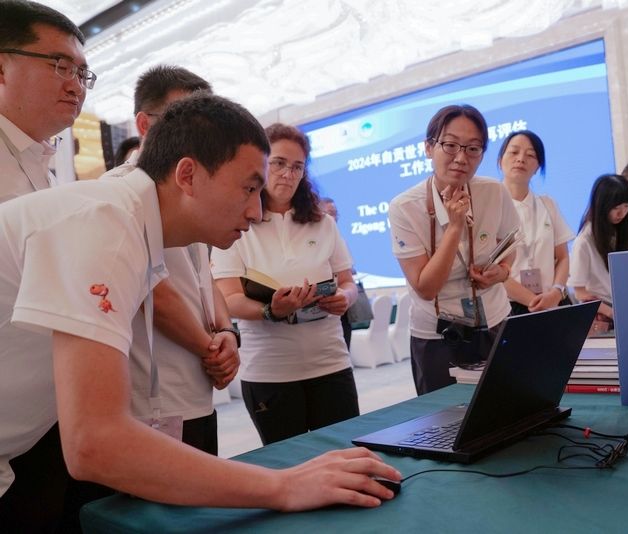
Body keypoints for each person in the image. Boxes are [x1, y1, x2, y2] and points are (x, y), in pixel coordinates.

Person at [0, 94, 400, 531]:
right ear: (187, 175)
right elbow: (95, 443)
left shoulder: (129, 225)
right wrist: (284, 486)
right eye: (249, 188)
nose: (256, 211)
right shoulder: (106, 224)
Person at [101, 65, 234, 457]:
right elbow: (152, 292)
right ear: (144, 124)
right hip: (153, 398)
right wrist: (212, 349)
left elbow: (202, 277)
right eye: (182, 121)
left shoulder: (189, 185)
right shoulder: (119, 192)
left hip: (197, 388)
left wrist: (228, 332)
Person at [212, 123, 361, 446]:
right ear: (260, 165)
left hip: (331, 363)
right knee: (288, 462)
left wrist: (344, 298)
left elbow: (348, 282)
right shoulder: (236, 224)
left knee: (346, 455)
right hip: (270, 372)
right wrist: (271, 310)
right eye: (278, 163)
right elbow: (228, 298)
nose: (288, 174)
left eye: (297, 167)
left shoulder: (323, 222)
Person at [388, 104, 519, 395]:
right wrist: (455, 226)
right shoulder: (404, 207)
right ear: (428, 148)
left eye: (473, 149)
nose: (461, 158)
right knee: (444, 418)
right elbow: (426, 287)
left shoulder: (494, 192)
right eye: (450, 145)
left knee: (505, 407)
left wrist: (502, 271)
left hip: (495, 323)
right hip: (437, 336)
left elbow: (510, 244)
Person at [0, 0, 92, 203]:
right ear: (2, 69)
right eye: (61, 66)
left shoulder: (39, 158)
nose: (77, 88)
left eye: (82, 74)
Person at [498, 130, 573, 314]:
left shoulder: (547, 204)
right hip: (508, 306)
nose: (521, 159)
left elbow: (563, 257)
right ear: (500, 160)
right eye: (514, 152)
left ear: (538, 166)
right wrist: (534, 301)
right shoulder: (490, 207)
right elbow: (491, 270)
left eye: (530, 155)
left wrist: (556, 291)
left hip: (552, 302)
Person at [568, 174, 628, 328]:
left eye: (626, 206)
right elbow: (580, 292)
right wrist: (613, 314)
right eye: (616, 207)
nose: (622, 213)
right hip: (602, 315)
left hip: (622, 309)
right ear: (601, 206)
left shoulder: (623, 232)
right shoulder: (584, 241)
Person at [319, 196, 353, 349]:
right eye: (329, 213)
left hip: (339, 303)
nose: (333, 217)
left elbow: (347, 278)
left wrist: (346, 294)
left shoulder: (339, 240)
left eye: (335, 213)